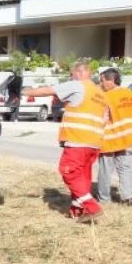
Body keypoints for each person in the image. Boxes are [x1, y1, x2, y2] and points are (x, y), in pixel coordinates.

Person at [22, 61, 107, 221]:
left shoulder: (78, 85)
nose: (70, 77)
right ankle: (78, 210)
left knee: (69, 172)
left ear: (80, 73)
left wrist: (26, 91)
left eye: (71, 74)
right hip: (94, 142)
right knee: (83, 176)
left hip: (78, 140)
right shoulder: (99, 93)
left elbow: (49, 90)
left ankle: (91, 206)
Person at [96, 68, 132, 206]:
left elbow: (103, 118)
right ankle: (128, 196)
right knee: (124, 166)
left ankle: (104, 199)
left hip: (110, 138)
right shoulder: (129, 92)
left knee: (106, 169)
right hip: (125, 137)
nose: (101, 84)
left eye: (102, 80)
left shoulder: (107, 96)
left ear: (111, 80)